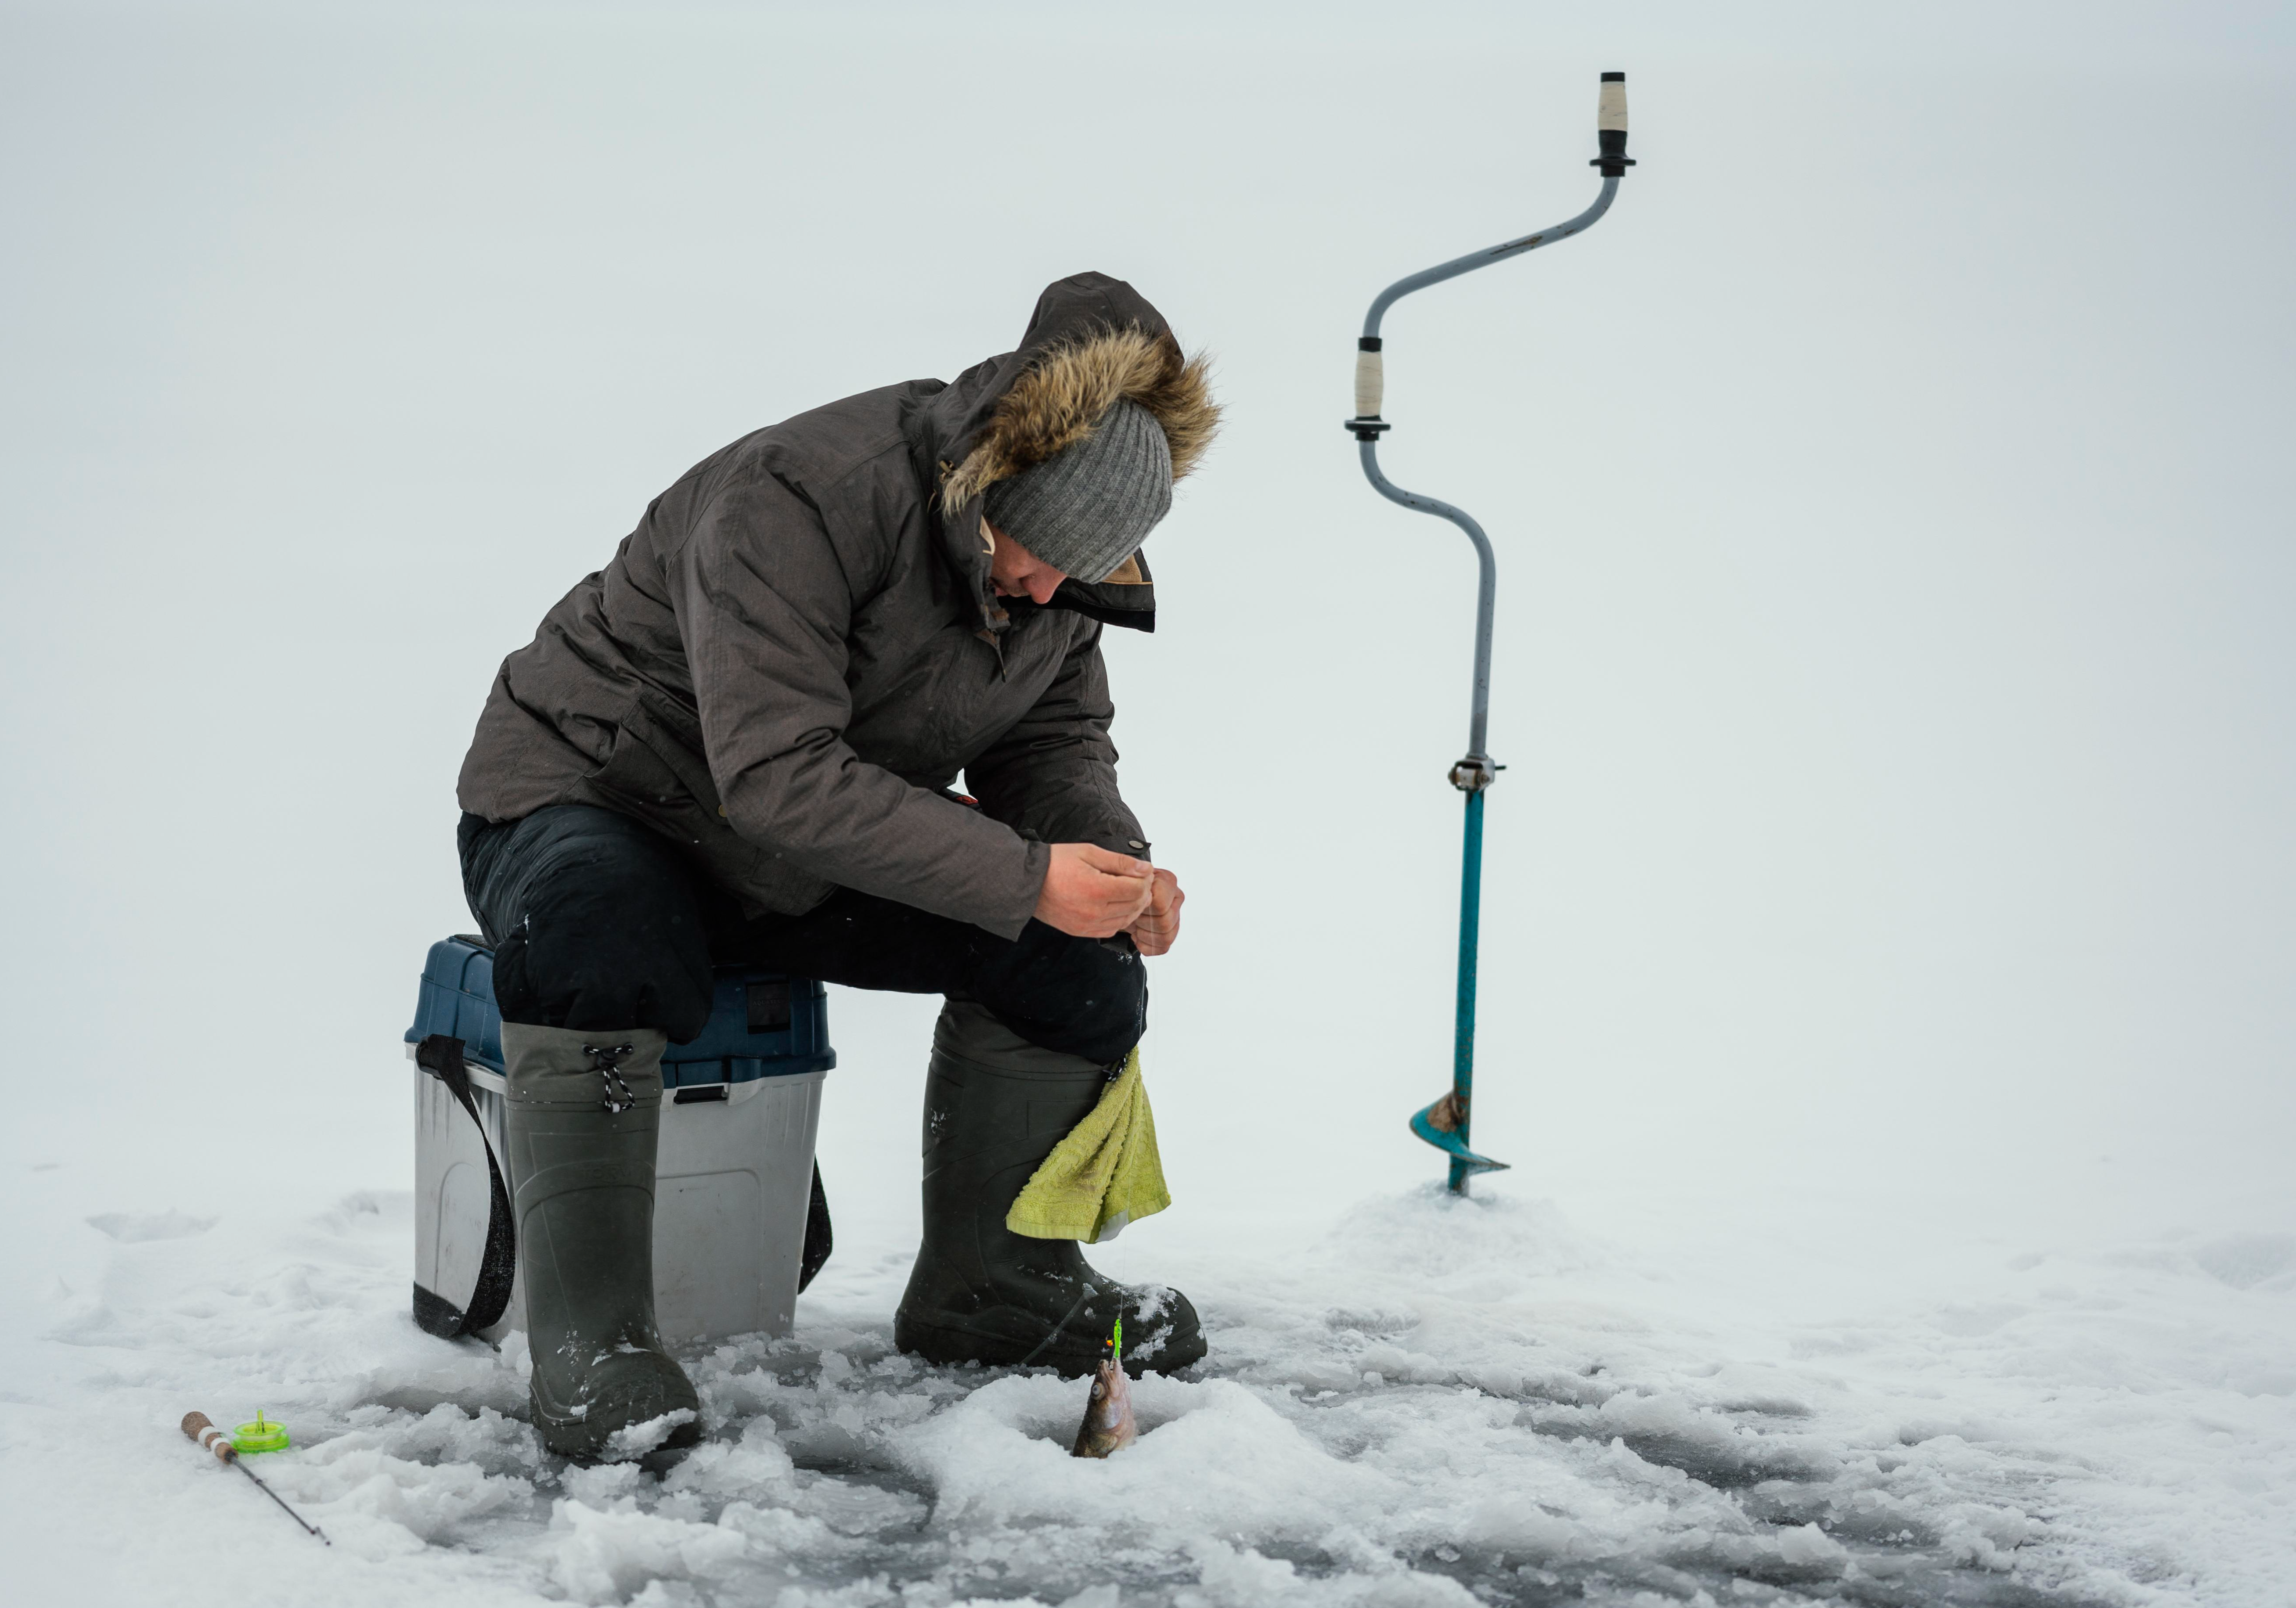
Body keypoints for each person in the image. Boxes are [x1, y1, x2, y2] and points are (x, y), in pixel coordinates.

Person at [453, 273, 1220, 1459]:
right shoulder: (801, 497)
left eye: (1082, 573)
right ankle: (592, 1340)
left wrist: (1108, 867)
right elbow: (774, 774)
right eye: (1035, 558)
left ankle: (991, 1284)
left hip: (800, 856)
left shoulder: (1057, 579)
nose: (1046, 591)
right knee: (602, 933)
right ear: (989, 486)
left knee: (1075, 956)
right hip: (599, 804)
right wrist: (1022, 872)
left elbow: (1050, 741)